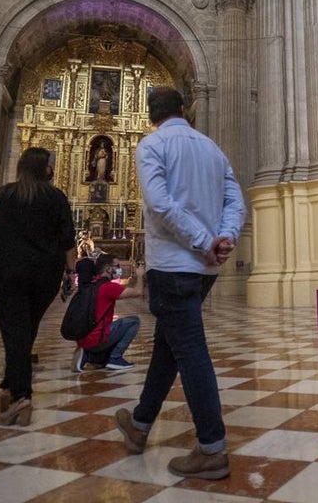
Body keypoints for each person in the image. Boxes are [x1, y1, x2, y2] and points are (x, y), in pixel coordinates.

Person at [114, 87, 246, 481]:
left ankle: (212, 448)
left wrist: (205, 241)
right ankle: (140, 424)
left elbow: (159, 204)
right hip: (204, 270)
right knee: (167, 349)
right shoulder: (211, 148)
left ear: (150, 115)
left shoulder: (152, 145)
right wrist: (225, 237)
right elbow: (235, 201)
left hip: (173, 266)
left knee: (189, 352)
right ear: (185, 110)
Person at [0, 147, 75, 427]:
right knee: (27, 329)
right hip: (45, 274)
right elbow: (67, 238)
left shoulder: (5, 194)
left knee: (15, 331)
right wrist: (71, 271)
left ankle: (22, 396)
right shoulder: (56, 197)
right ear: (44, 168)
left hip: (8, 271)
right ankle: (9, 385)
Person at [73, 253, 145, 372]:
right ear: (108, 269)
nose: (119, 269)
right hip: (97, 337)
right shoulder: (108, 287)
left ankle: (89, 355)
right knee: (134, 321)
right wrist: (140, 275)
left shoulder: (91, 284)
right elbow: (138, 292)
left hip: (85, 336)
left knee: (109, 328)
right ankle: (115, 357)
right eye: (117, 266)